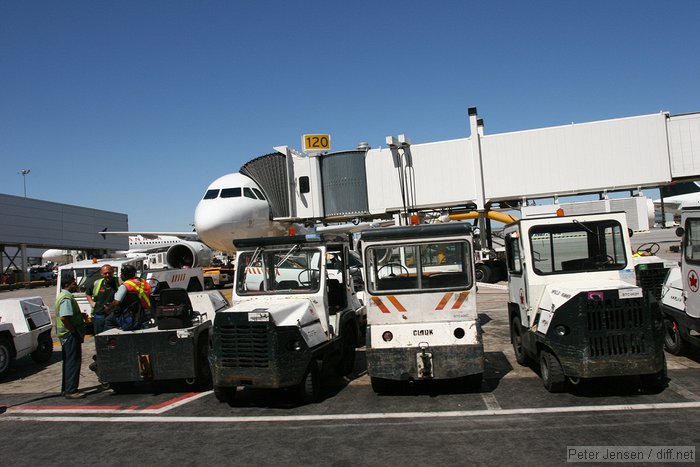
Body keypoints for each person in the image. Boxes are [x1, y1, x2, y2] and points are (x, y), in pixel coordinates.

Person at [55, 277, 86, 399]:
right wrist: (74, 331)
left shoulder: (62, 295)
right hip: (70, 335)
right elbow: (64, 317)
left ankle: (66, 388)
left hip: (65, 335)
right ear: (67, 284)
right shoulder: (66, 298)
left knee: (68, 362)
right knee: (73, 361)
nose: (75, 285)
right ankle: (71, 390)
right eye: (74, 283)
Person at [104, 264, 152, 331]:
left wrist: (108, 310)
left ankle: (116, 337)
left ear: (125, 275)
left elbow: (116, 303)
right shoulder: (143, 282)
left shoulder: (126, 285)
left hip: (133, 314)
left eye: (121, 273)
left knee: (108, 320)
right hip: (147, 312)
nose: (120, 275)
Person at [85, 264, 119, 335]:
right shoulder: (97, 283)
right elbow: (88, 294)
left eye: (109, 273)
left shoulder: (119, 282)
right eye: (105, 273)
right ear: (101, 274)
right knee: (100, 337)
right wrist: (92, 303)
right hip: (99, 316)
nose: (107, 275)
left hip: (114, 315)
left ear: (113, 272)